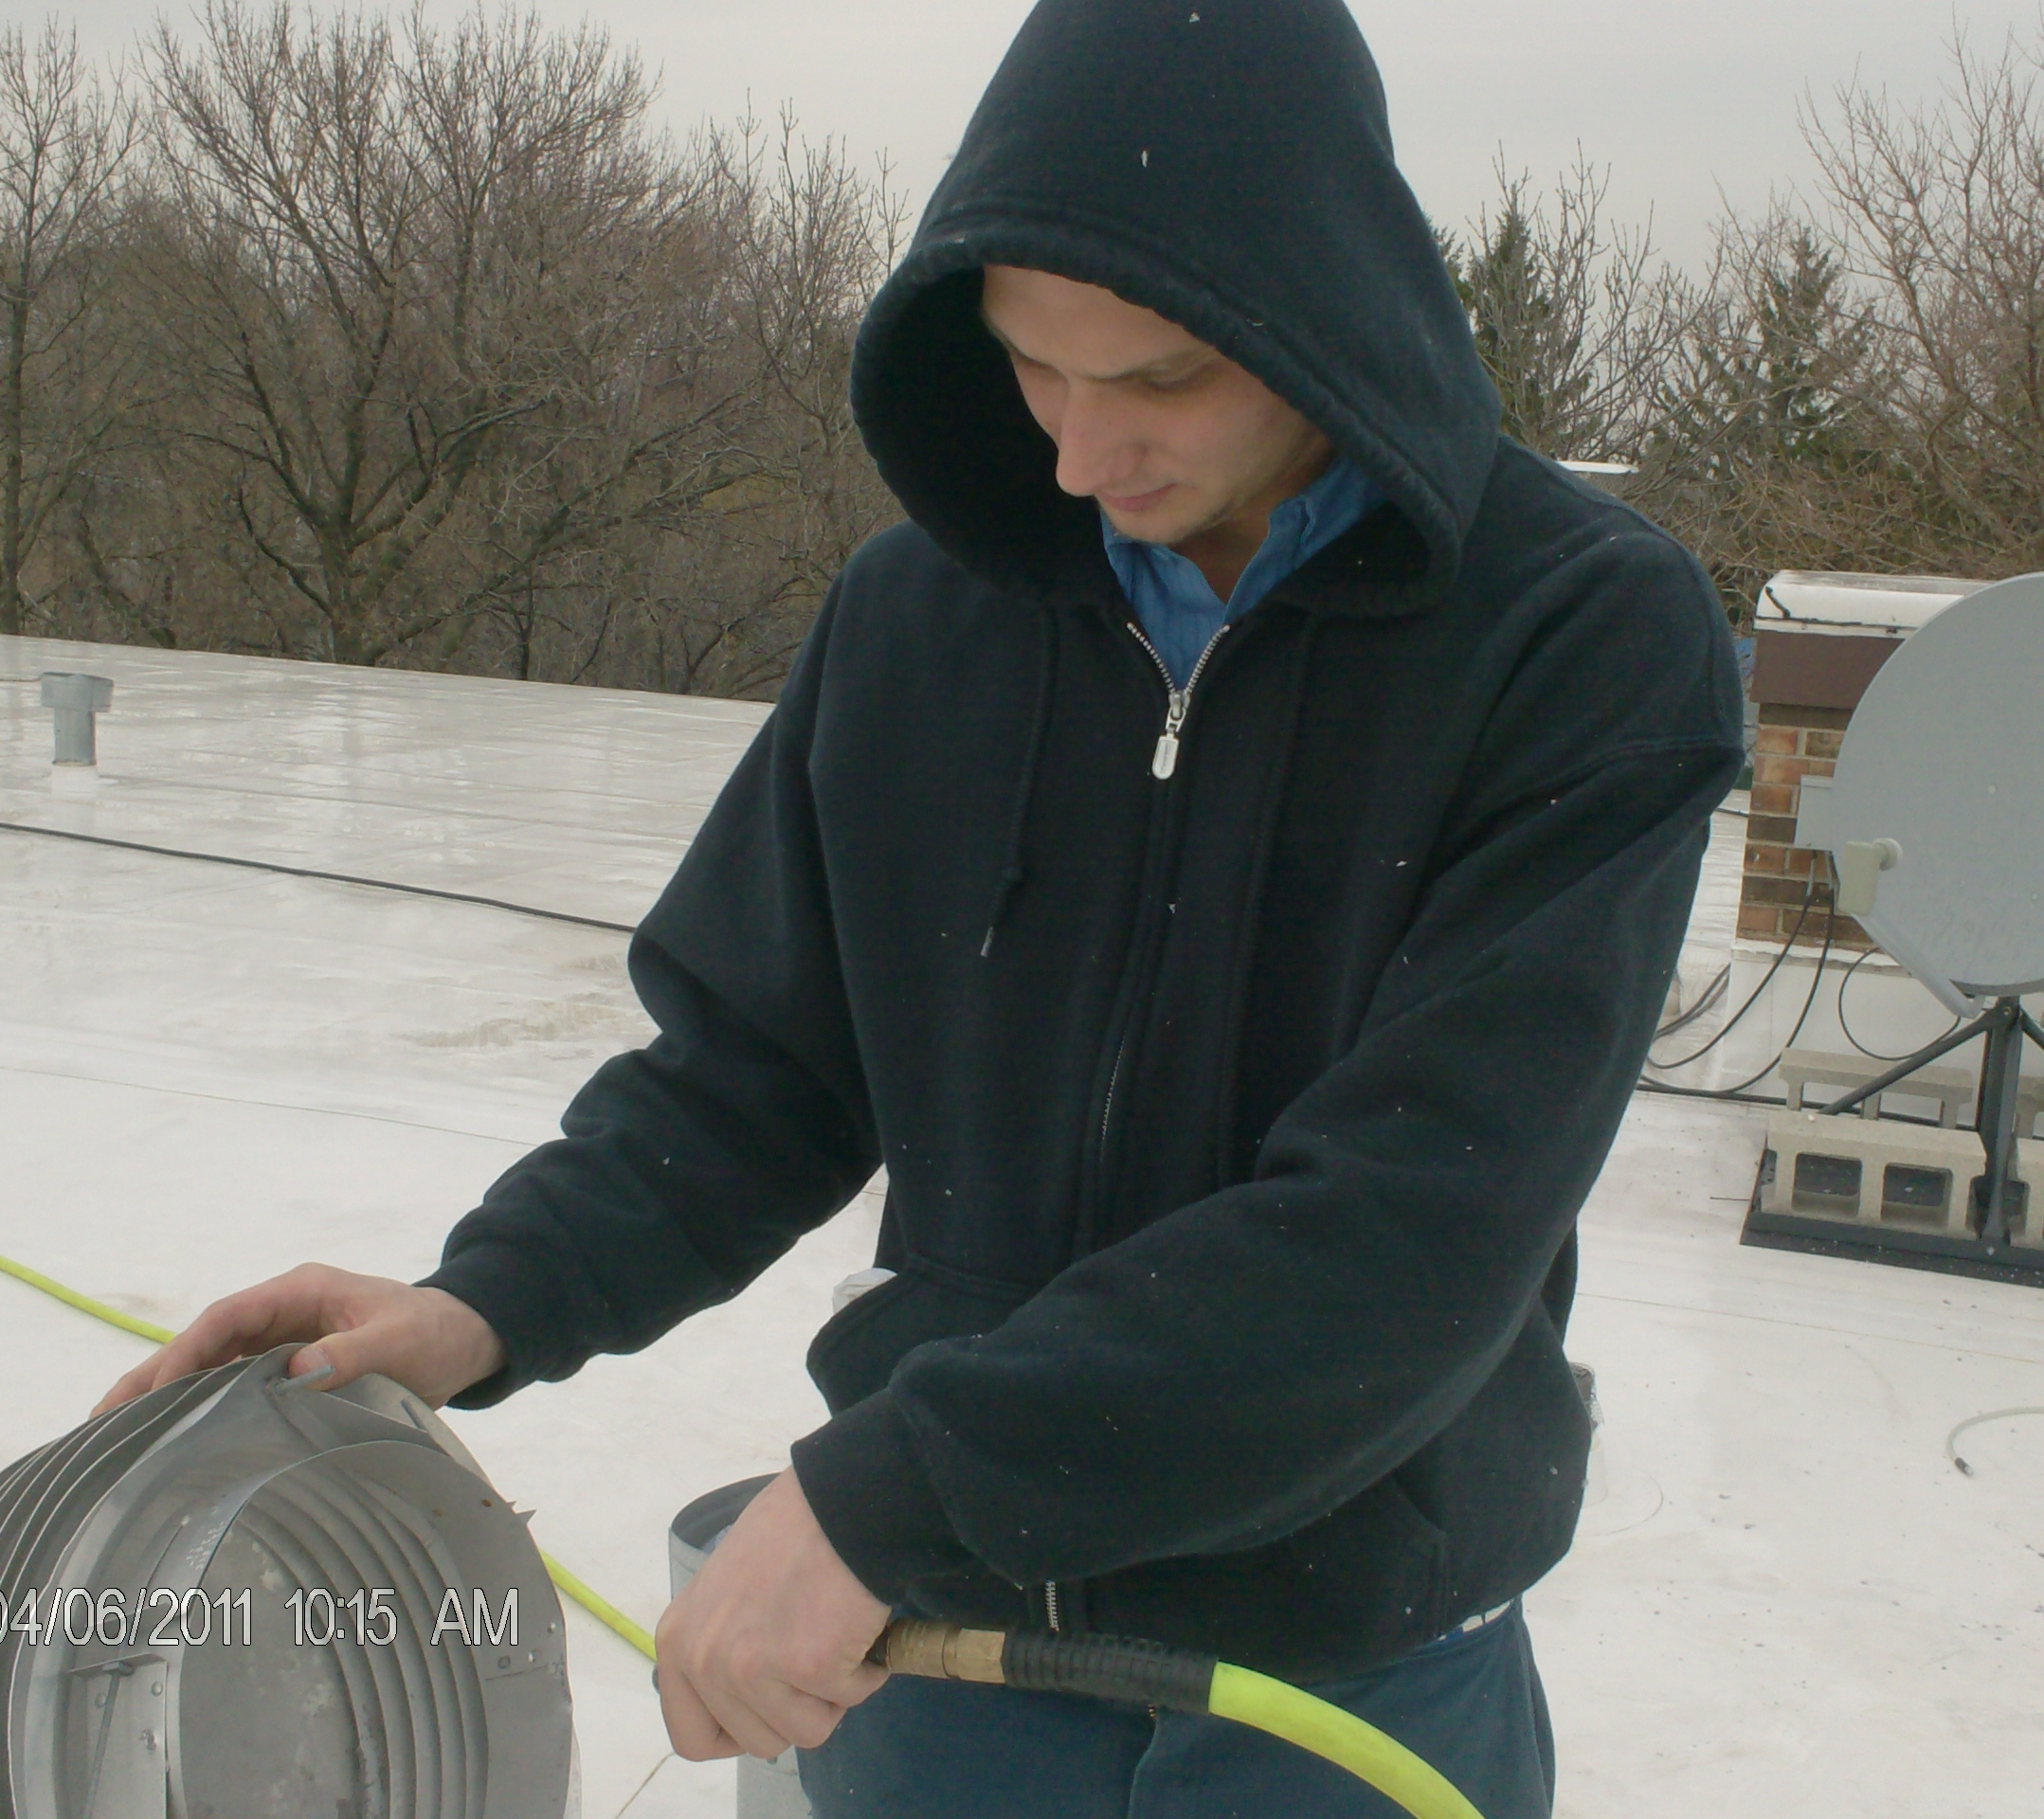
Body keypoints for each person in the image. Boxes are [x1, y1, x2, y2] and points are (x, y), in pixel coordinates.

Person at [93, 1, 1743, 1812]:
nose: (1074, 458)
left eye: (1161, 379)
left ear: (1329, 320)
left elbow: (1414, 1229)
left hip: (1347, 1678)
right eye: (1035, 367)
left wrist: (894, 1490)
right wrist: (486, 1300)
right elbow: (760, 1072)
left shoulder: (1578, 641)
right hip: (941, 1673)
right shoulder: (919, 618)